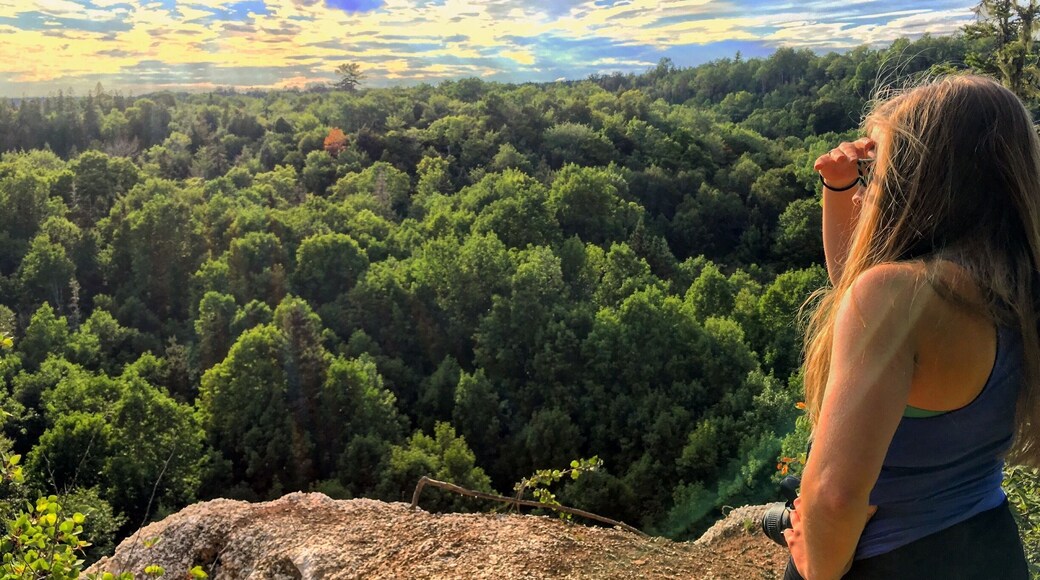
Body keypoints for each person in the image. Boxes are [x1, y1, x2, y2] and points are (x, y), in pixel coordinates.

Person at [782, 75, 1036, 579]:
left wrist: (817, 568)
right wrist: (839, 187)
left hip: (884, 557)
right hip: (989, 546)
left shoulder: (900, 297)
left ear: (918, 176)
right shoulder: (1019, 289)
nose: (870, 183)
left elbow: (833, 497)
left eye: (879, 168)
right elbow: (850, 283)